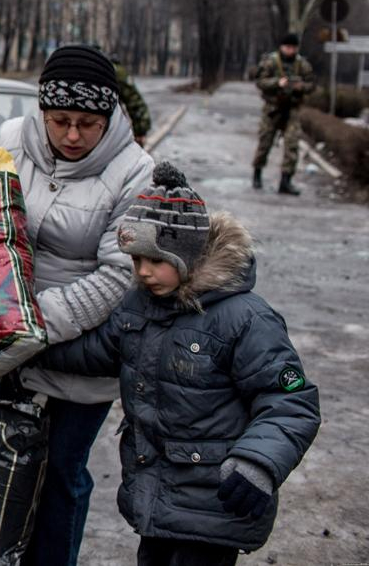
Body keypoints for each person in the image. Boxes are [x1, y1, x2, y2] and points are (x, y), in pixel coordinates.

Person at [37, 162, 321, 566]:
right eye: (136, 260)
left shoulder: (245, 318)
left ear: (186, 254)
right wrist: (29, 345)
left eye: (156, 260)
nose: (143, 272)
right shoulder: (140, 306)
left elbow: (290, 402)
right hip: (156, 496)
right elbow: (96, 350)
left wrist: (258, 462)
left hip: (215, 502)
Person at [0, 44, 154, 566]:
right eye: (60, 120)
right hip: (1, 340)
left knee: (60, 472)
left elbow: (119, 276)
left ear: (109, 117)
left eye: (88, 124)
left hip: (79, 353)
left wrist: (32, 322)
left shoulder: (135, 171)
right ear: (43, 111)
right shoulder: (9, 140)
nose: (73, 135)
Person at [252, 32, 315, 195]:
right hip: (272, 109)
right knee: (265, 142)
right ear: (281, 47)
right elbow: (260, 81)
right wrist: (277, 83)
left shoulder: (302, 64)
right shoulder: (271, 62)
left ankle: (285, 181)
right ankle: (257, 174)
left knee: (292, 145)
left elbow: (311, 84)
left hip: (292, 109)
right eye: (288, 47)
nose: (290, 50)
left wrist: (300, 86)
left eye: (293, 47)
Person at [112, 55, 152, 148]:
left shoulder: (111, 69)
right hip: (111, 136)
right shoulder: (113, 69)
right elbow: (134, 100)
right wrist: (140, 131)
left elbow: (134, 100)